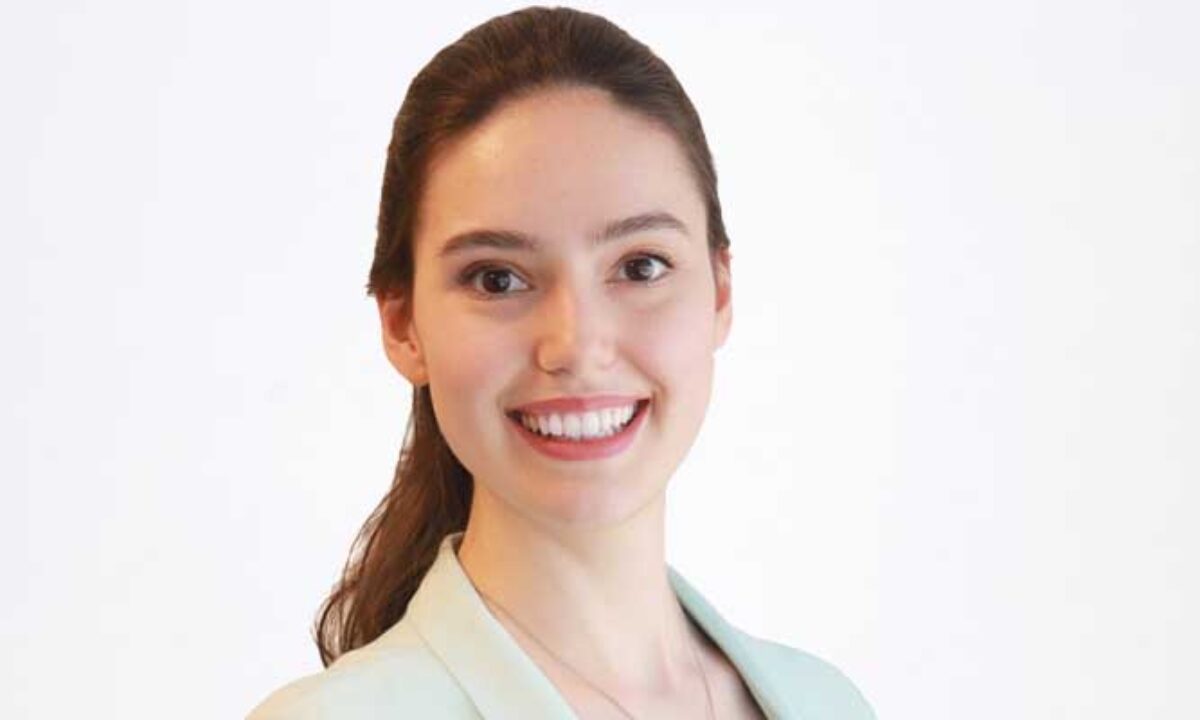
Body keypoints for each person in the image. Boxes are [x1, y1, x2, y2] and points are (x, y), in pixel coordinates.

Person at [249, 6, 874, 719]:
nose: (576, 346)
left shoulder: (828, 703)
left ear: (720, 292)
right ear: (402, 323)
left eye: (640, 266)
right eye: (497, 279)